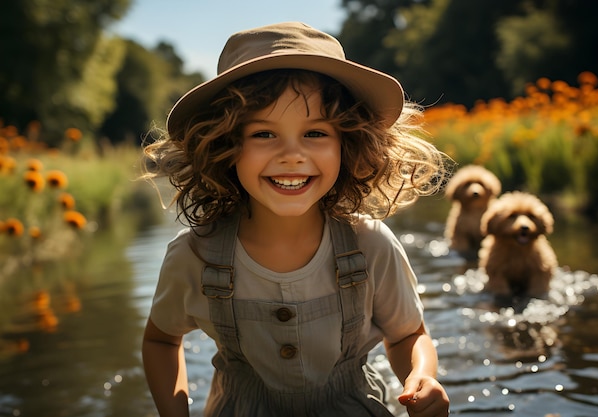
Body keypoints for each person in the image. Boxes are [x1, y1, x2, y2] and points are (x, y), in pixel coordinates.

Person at [141, 21, 450, 417]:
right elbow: (161, 341)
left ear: (348, 142)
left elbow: (409, 334)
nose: (292, 155)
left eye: (316, 133)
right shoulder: (194, 255)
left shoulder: (371, 244)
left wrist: (422, 375)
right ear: (225, 147)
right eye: (264, 135)